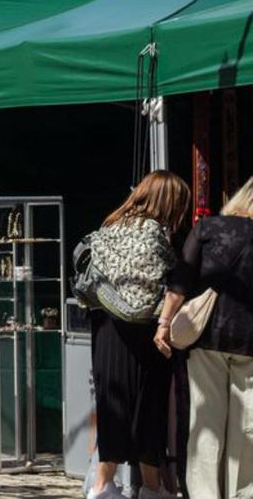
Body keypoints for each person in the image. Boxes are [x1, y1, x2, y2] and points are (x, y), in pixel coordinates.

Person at [86, 170, 190, 499]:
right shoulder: (156, 233)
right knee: (149, 409)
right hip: (147, 332)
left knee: (114, 408)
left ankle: (103, 487)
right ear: (168, 202)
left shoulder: (109, 226)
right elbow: (177, 279)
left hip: (107, 328)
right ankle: (151, 487)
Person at [159, 176, 253, 498]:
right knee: (247, 429)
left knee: (206, 425)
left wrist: (164, 325)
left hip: (208, 338)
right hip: (251, 345)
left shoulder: (208, 229)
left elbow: (179, 283)